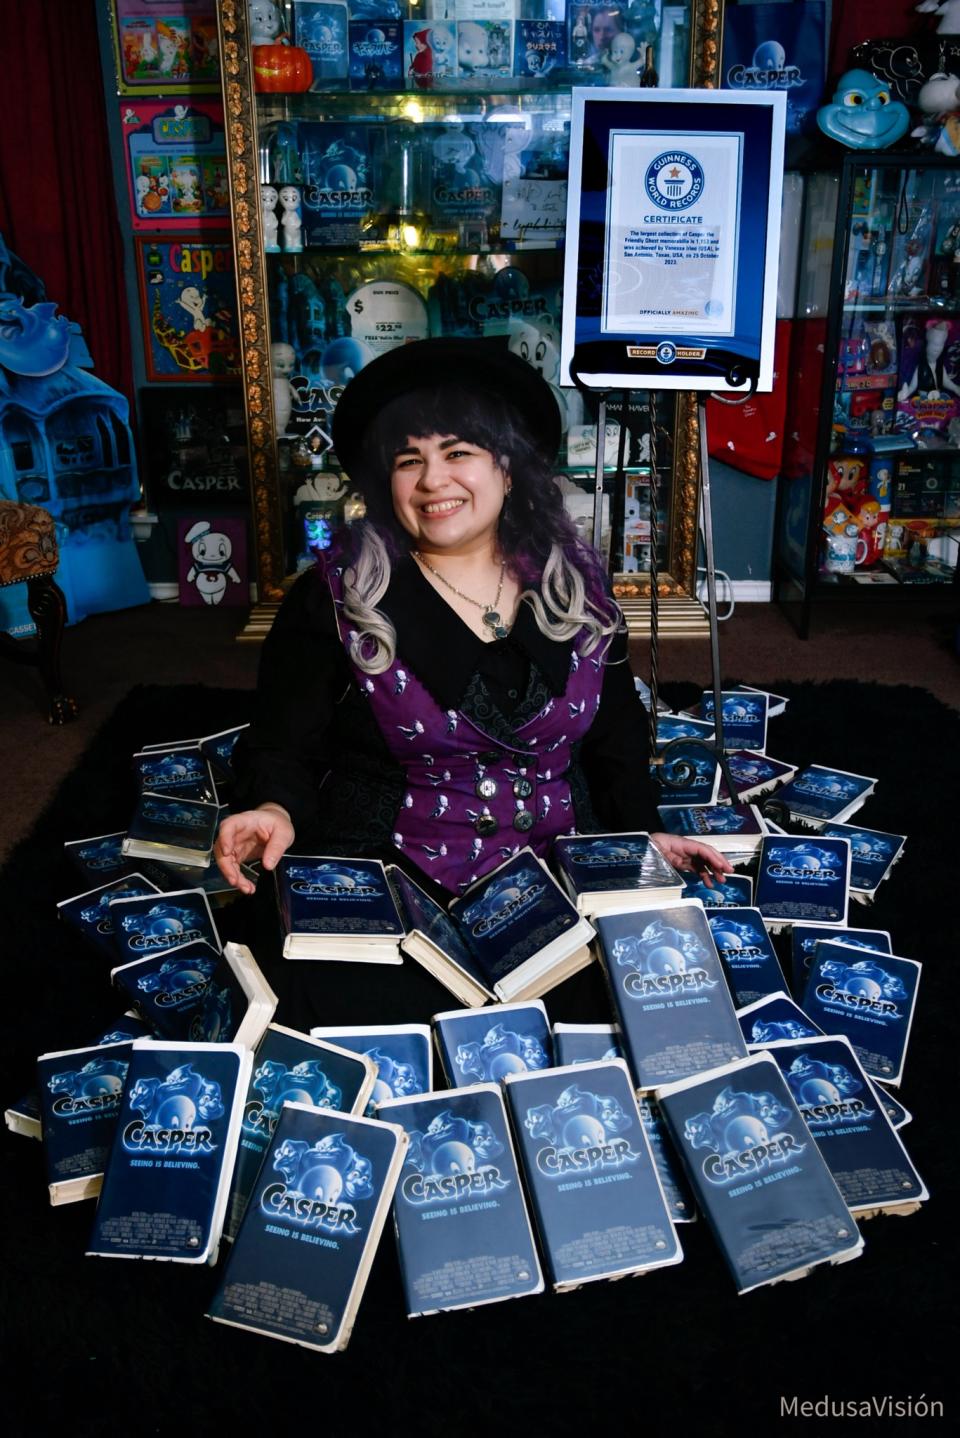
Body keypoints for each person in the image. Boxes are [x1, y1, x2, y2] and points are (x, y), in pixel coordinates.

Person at [215, 338, 730, 914]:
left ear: (508, 469)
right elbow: (283, 742)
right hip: (391, 873)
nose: (433, 480)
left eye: (458, 453)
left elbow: (615, 730)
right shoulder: (332, 596)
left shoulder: (577, 584)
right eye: (409, 461)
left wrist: (641, 830)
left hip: (560, 865)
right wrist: (273, 809)